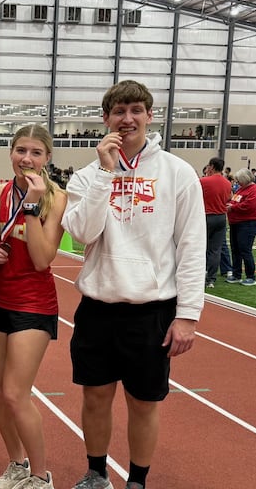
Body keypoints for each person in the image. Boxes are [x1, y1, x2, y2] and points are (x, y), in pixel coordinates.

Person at [62, 81, 205, 489]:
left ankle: (137, 481)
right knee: (94, 398)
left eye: (135, 111)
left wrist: (188, 316)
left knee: (143, 404)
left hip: (151, 310)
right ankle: (95, 474)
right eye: (119, 112)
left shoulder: (177, 173)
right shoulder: (86, 176)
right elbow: (84, 234)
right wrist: (107, 173)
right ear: (105, 119)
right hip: (98, 306)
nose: (127, 120)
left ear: (149, 116)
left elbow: (193, 246)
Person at [0, 124, 67, 489]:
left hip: (33, 304)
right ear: (10, 152)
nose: (27, 159)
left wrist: (31, 206)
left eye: (35, 152)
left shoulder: (56, 198)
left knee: (17, 393)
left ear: (47, 157)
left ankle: (40, 476)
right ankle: (16, 464)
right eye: (20, 151)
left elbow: (42, 257)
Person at [225, 167, 256, 287]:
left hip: (248, 223)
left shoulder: (255, 190)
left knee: (245, 250)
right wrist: (230, 204)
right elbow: (235, 201)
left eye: (239, 180)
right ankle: (236, 274)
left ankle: (250, 276)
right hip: (236, 222)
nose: (237, 182)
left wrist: (233, 207)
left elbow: (250, 206)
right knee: (235, 249)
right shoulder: (241, 190)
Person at [201, 157, 230, 289]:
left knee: (200, 248)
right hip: (220, 217)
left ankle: (200, 274)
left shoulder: (203, 181)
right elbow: (229, 198)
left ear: (211, 166)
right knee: (216, 250)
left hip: (206, 216)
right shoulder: (227, 183)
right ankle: (211, 279)